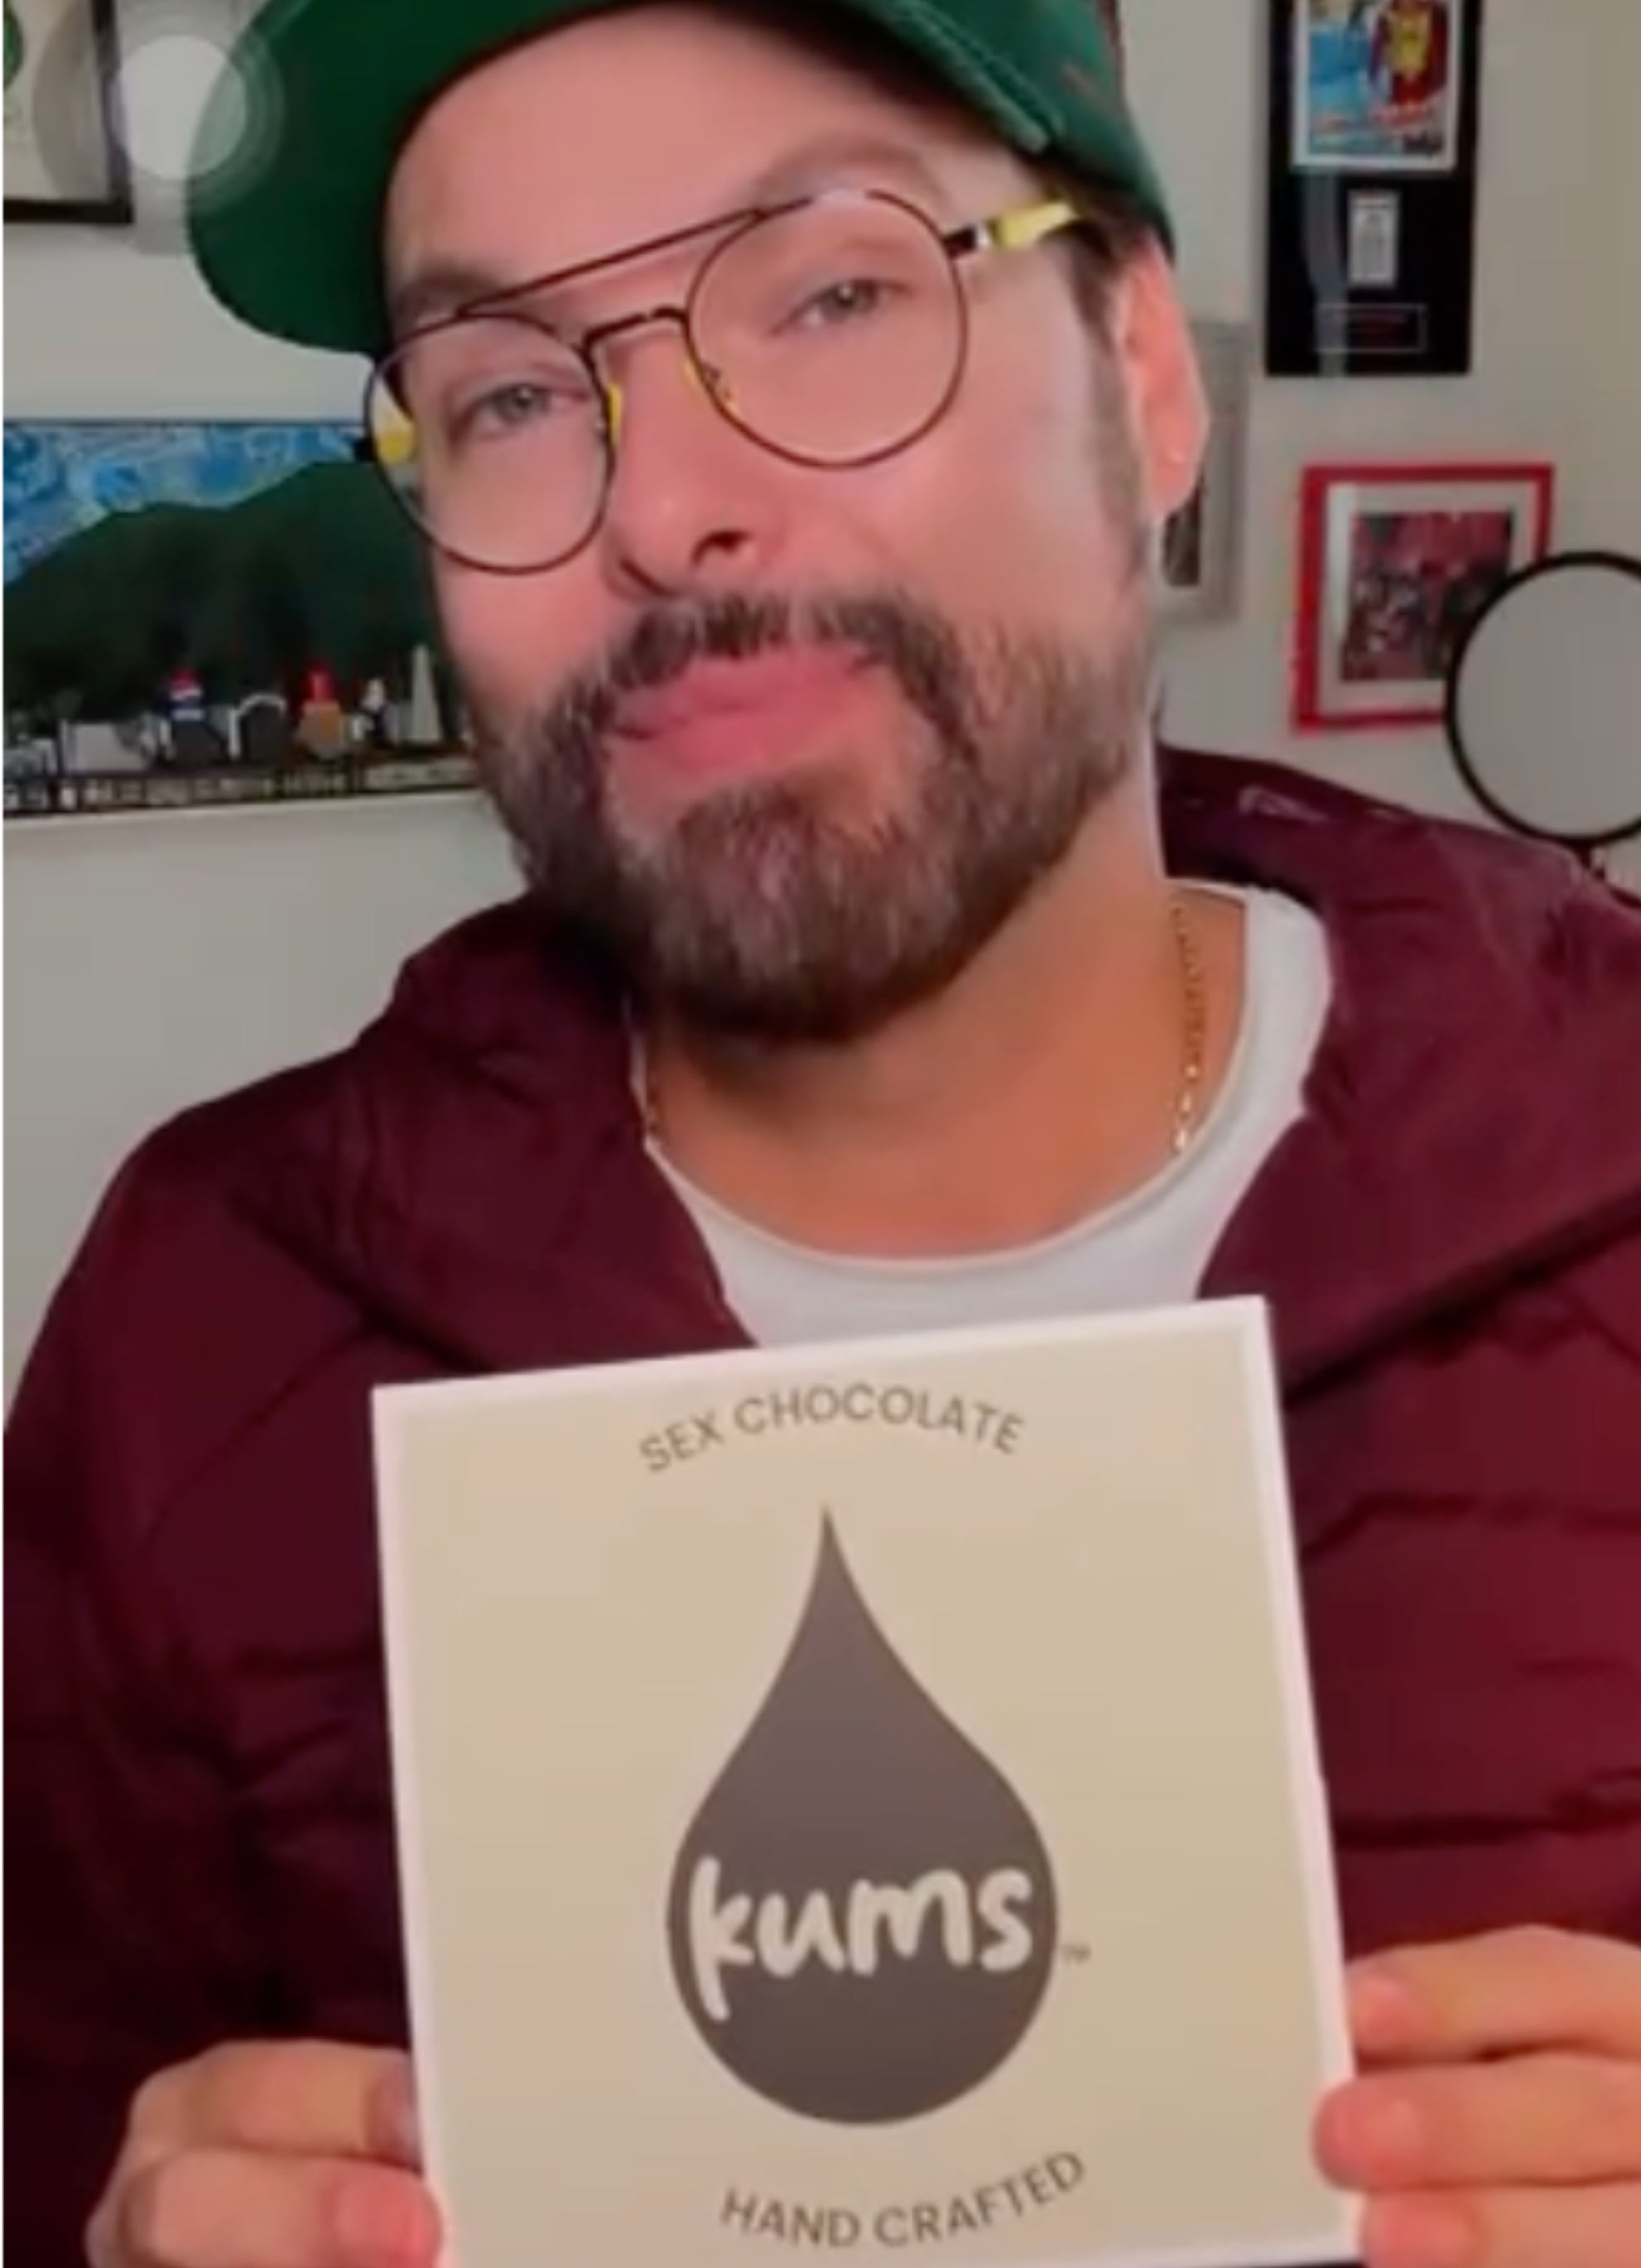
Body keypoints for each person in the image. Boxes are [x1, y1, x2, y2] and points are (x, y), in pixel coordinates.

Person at [7, 2, 1640, 2264]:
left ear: (1145, 379)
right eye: (507, 394)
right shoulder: (200, 1326)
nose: (667, 506)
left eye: (836, 292)